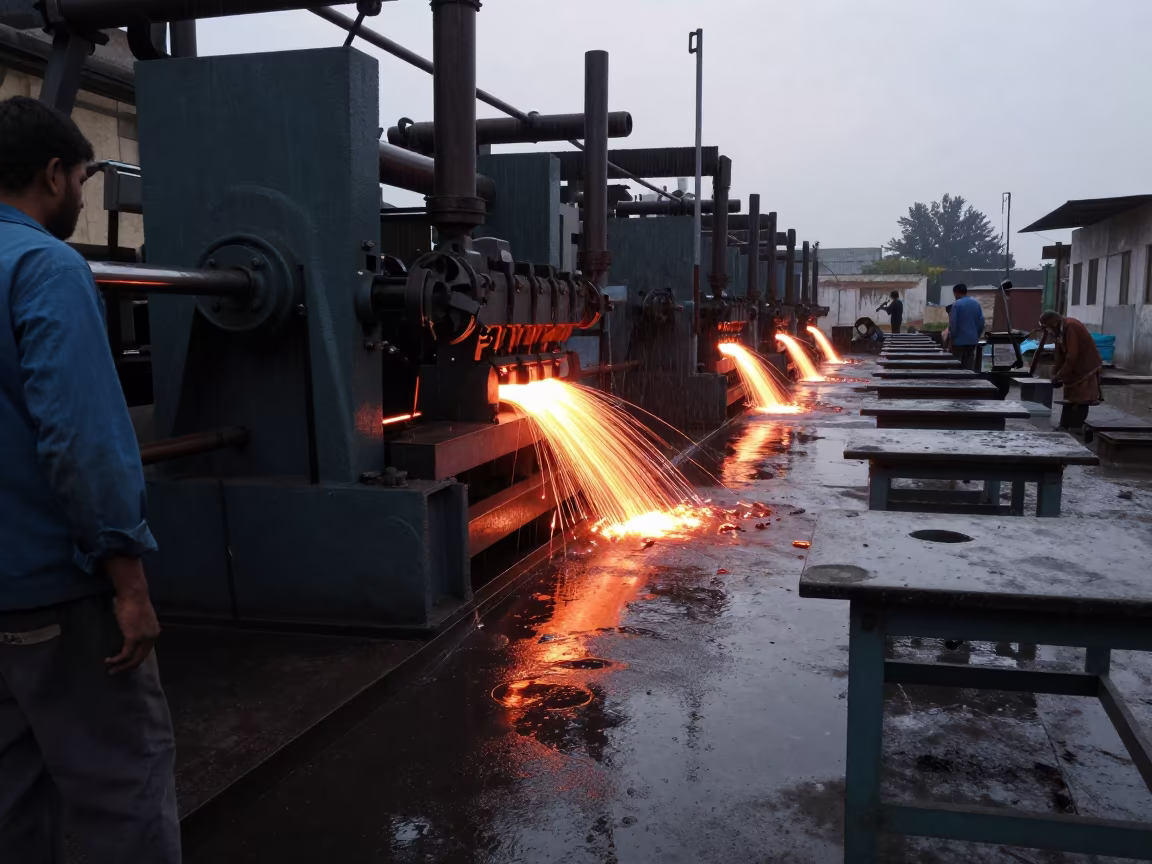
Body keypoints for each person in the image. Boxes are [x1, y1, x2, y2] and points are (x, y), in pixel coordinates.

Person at [0, 97, 180, 861]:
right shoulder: (46, 267)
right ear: (53, 174)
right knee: (122, 792)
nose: (82, 194)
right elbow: (81, 441)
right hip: (54, 590)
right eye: (82, 177)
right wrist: (129, 584)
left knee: (10, 801)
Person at [1039, 310, 1102, 431]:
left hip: (1086, 366)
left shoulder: (1071, 326)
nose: (1048, 331)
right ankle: (1064, 425)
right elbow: (1059, 354)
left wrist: (1060, 374)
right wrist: (1055, 373)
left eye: (1047, 327)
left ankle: (1076, 428)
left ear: (1054, 322)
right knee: (1069, 397)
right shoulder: (1060, 330)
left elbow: (1072, 355)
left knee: (1083, 398)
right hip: (1074, 367)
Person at [947, 283, 985, 371]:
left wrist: (951, 339)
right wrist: (976, 335)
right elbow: (981, 323)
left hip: (958, 342)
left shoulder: (956, 305)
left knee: (955, 367)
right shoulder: (976, 304)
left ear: (956, 293)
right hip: (971, 341)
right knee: (968, 367)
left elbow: (953, 324)